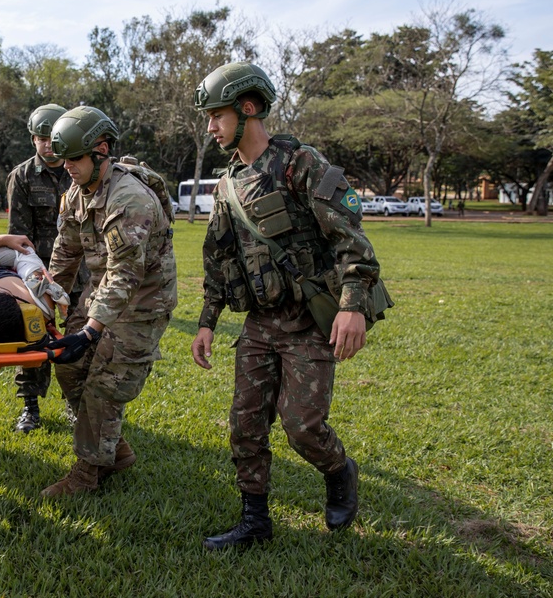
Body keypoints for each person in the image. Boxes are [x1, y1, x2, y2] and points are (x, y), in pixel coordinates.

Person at [190, 61, 384, 550]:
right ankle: (255, 521)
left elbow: (352, 240)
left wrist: (353, 305)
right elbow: (219, 257)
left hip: (306, 323)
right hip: (259, 323)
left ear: (247, 108)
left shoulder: (300, 164)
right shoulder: (228, 184)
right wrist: (207, 322)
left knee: (302, 426)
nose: (210, 127)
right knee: (245, 424)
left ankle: (340, 471)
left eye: (216, 116)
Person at [41, 106, 177, 497]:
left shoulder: (130, 199)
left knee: (105, 383)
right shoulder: (76, 194)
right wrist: (49, 300)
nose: (67, 166)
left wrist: (90, 330)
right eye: (62, 158)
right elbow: (65, 255)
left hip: (143, 301)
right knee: (68, 367)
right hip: (103, 290)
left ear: (101, 149)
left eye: (75, 158)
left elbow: (126, 275)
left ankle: (87, 474)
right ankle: (114, 449)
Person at [6, 103, 76, 432]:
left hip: (79, 270)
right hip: (37, 271)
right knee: (31, 336)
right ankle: (30, 407)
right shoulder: (21, 177)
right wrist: (36, 276)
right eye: (40, 138)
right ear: (33, 140)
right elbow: (20, 236)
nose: (47, 144)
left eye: (53, 137)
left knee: (78, 335)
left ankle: (74, 401)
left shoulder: (80, 168)